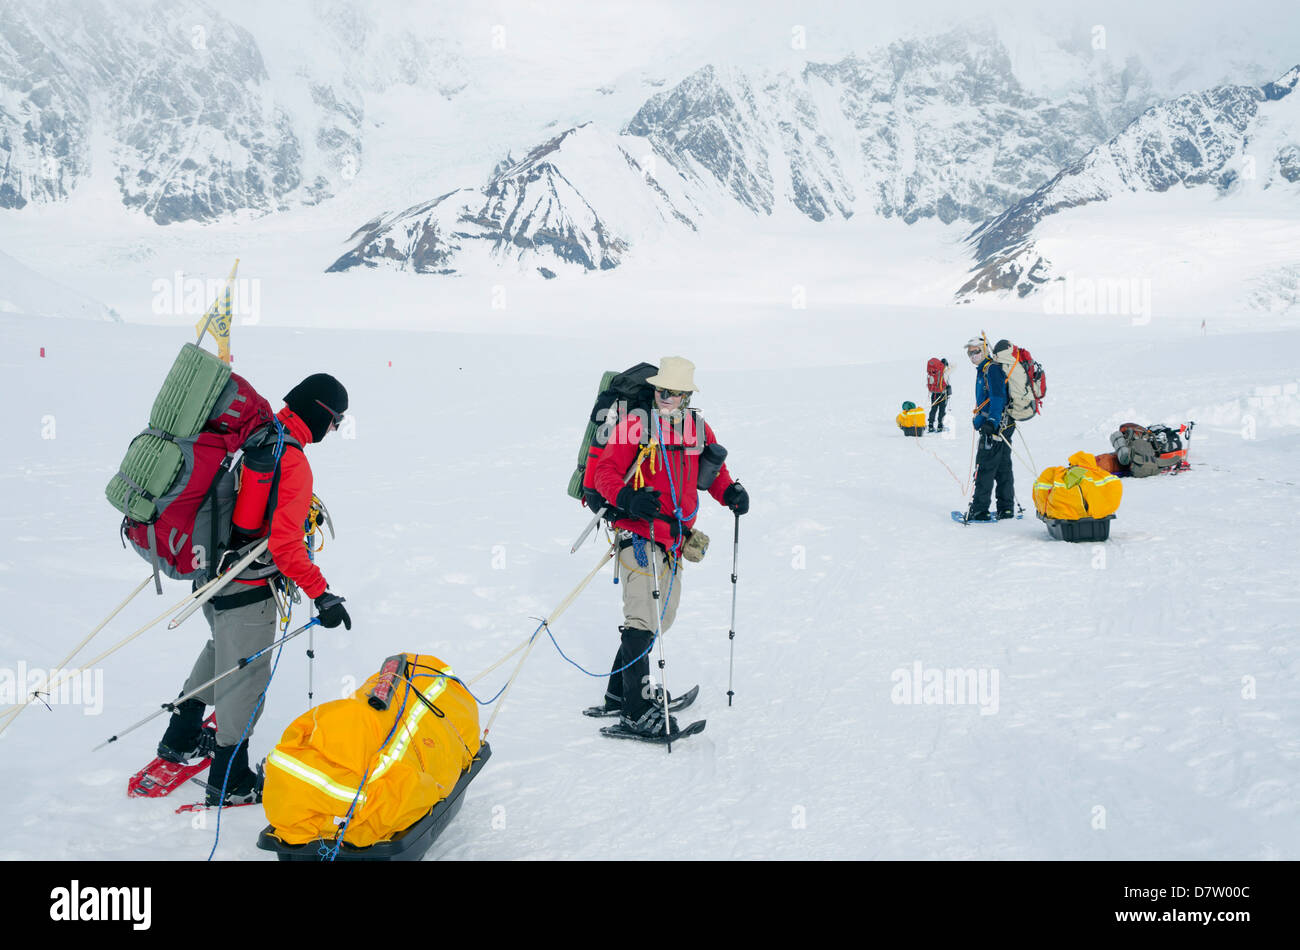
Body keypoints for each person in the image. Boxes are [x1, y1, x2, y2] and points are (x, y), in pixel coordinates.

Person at [156, 374, 353, 805]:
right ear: (320, 412)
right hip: (246, 587)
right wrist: (323, 593)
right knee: (245, 676)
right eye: (335, 420)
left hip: (209, 573)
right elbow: (285, 545)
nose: (335, 429)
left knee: (219, 649)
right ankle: (231, 780)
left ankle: (181, 734)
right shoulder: (293, 461)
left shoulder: (256, 432)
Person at [590, 357, 748, 738]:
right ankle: (636, 709)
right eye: (662, 391)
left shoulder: (698, 428)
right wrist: (627, 498)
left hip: (674, 537)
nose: (666, 399)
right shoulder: (635, 426)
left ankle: (618, 692)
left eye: (675, 393)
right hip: (637, 530)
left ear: (687, 396)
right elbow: (603, 474)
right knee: (643, 616)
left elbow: (713, 474)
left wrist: (731, 492)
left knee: (662, 615)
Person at [964, 339, 1016, 522]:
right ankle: (1006, 508)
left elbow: (997, 396)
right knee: (1003, 467)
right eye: (969, 353)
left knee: (985, 467)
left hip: (996, 426)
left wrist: (992, 422)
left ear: (985, 350)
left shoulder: (991, 369)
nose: (972, 356)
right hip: (1004, 425)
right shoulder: (985, 369)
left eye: (976, 351)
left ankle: (980, 510)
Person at [927, 358, 951, 433]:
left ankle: (930, 426)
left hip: (934, 394)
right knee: (942, 410)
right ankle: (940, 426)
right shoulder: (945, 372)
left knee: (933, 409)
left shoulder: (933, 372)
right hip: (943, 394)